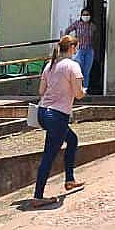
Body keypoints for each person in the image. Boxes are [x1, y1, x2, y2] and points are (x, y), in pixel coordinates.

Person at [30, 35, 87, 208]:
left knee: (72, 139)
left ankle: (70, 179)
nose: (76, 51)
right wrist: (83, 91)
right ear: (71, 48)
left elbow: (41, 91)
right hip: (58, 115)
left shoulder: (50, 65)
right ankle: (38, 195)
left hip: (43, 112)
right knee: (49, 155)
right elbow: (78, 94)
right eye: (75, 48)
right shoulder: (73, 66)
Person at [63, 8, 97, 89]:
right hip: (79, 50)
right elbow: (67, 30)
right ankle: (76, 89)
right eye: (84, 14)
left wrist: (93, 45)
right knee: (78, 70)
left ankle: (84, 89)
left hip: (89, 50)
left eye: (87, 14)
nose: (86, 16)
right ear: (81, 16)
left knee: (86, 71)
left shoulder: (93, 26)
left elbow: (95, 37)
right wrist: (69, 42)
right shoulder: (77, 24)